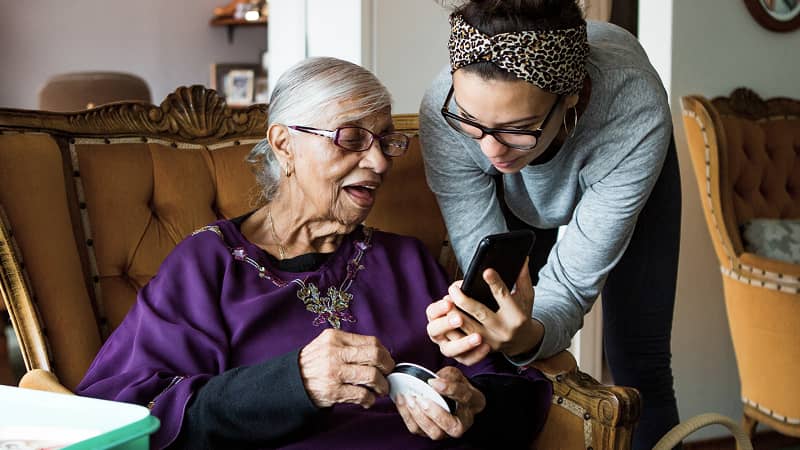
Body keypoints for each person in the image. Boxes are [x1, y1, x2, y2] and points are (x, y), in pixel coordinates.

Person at [76, 57, 552, 449]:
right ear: (285, 145)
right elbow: (126, 414)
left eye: (387, 141)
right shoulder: (209, 264)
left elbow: (514, 390)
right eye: (351, 138)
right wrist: (294, 382)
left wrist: (474, 400)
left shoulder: (404, 261)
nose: (381, 161)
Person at [419, 1, 681, 449]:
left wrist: (528, 334)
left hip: (618, 147)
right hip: (525, 165)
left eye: (516, 127)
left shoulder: (633, 110)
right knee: (504, 343)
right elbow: (490, 280)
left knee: (639, 357)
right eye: (474, 124)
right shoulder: (446, 114)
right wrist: (507, 332)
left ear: (571, 98)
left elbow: (570, 287)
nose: (490, 151)